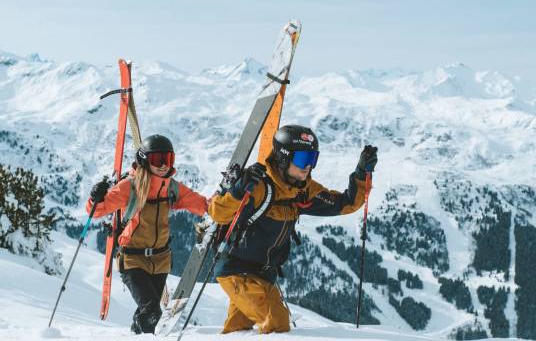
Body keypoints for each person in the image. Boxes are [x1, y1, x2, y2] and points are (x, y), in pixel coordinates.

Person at [207, 125, 378, 334]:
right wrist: (237, 191)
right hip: (236, 269)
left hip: (264, 274)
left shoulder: (302, 190)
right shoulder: (259, 185)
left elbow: (345, 203)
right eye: (302, 159)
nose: (307, 166)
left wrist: (362, 173)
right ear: (283, 158)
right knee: (277, 323)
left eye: (312, 159)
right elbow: (217, 213)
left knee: (238, 329)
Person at [86, 134, 208, 334]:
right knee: (152, 311)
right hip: (133, 259)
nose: (163, 165)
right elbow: (98, 210)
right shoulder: (130, 186)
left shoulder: (171, 187)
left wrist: (227, 204)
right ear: (144, 160)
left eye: (167, 159)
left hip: (161, 260)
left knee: (147, 311)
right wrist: (95, 198)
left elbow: (201, 204)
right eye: (157, 160)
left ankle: (135, 335)